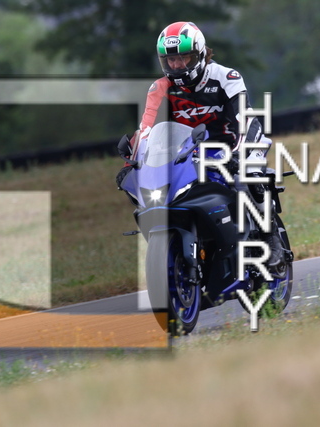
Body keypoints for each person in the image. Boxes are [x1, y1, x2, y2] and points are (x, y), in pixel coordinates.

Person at [116, 21, 284, 268]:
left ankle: (271, 238)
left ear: (200, 53)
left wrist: (240, 154)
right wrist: (131, 164)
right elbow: (146, 129)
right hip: (189, 151)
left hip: (235, 143)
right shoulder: (159, 88)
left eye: (182, 58)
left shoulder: (226, 77)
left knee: (249, 176)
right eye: (170, 60)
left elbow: (246, 118)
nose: (176, 65)